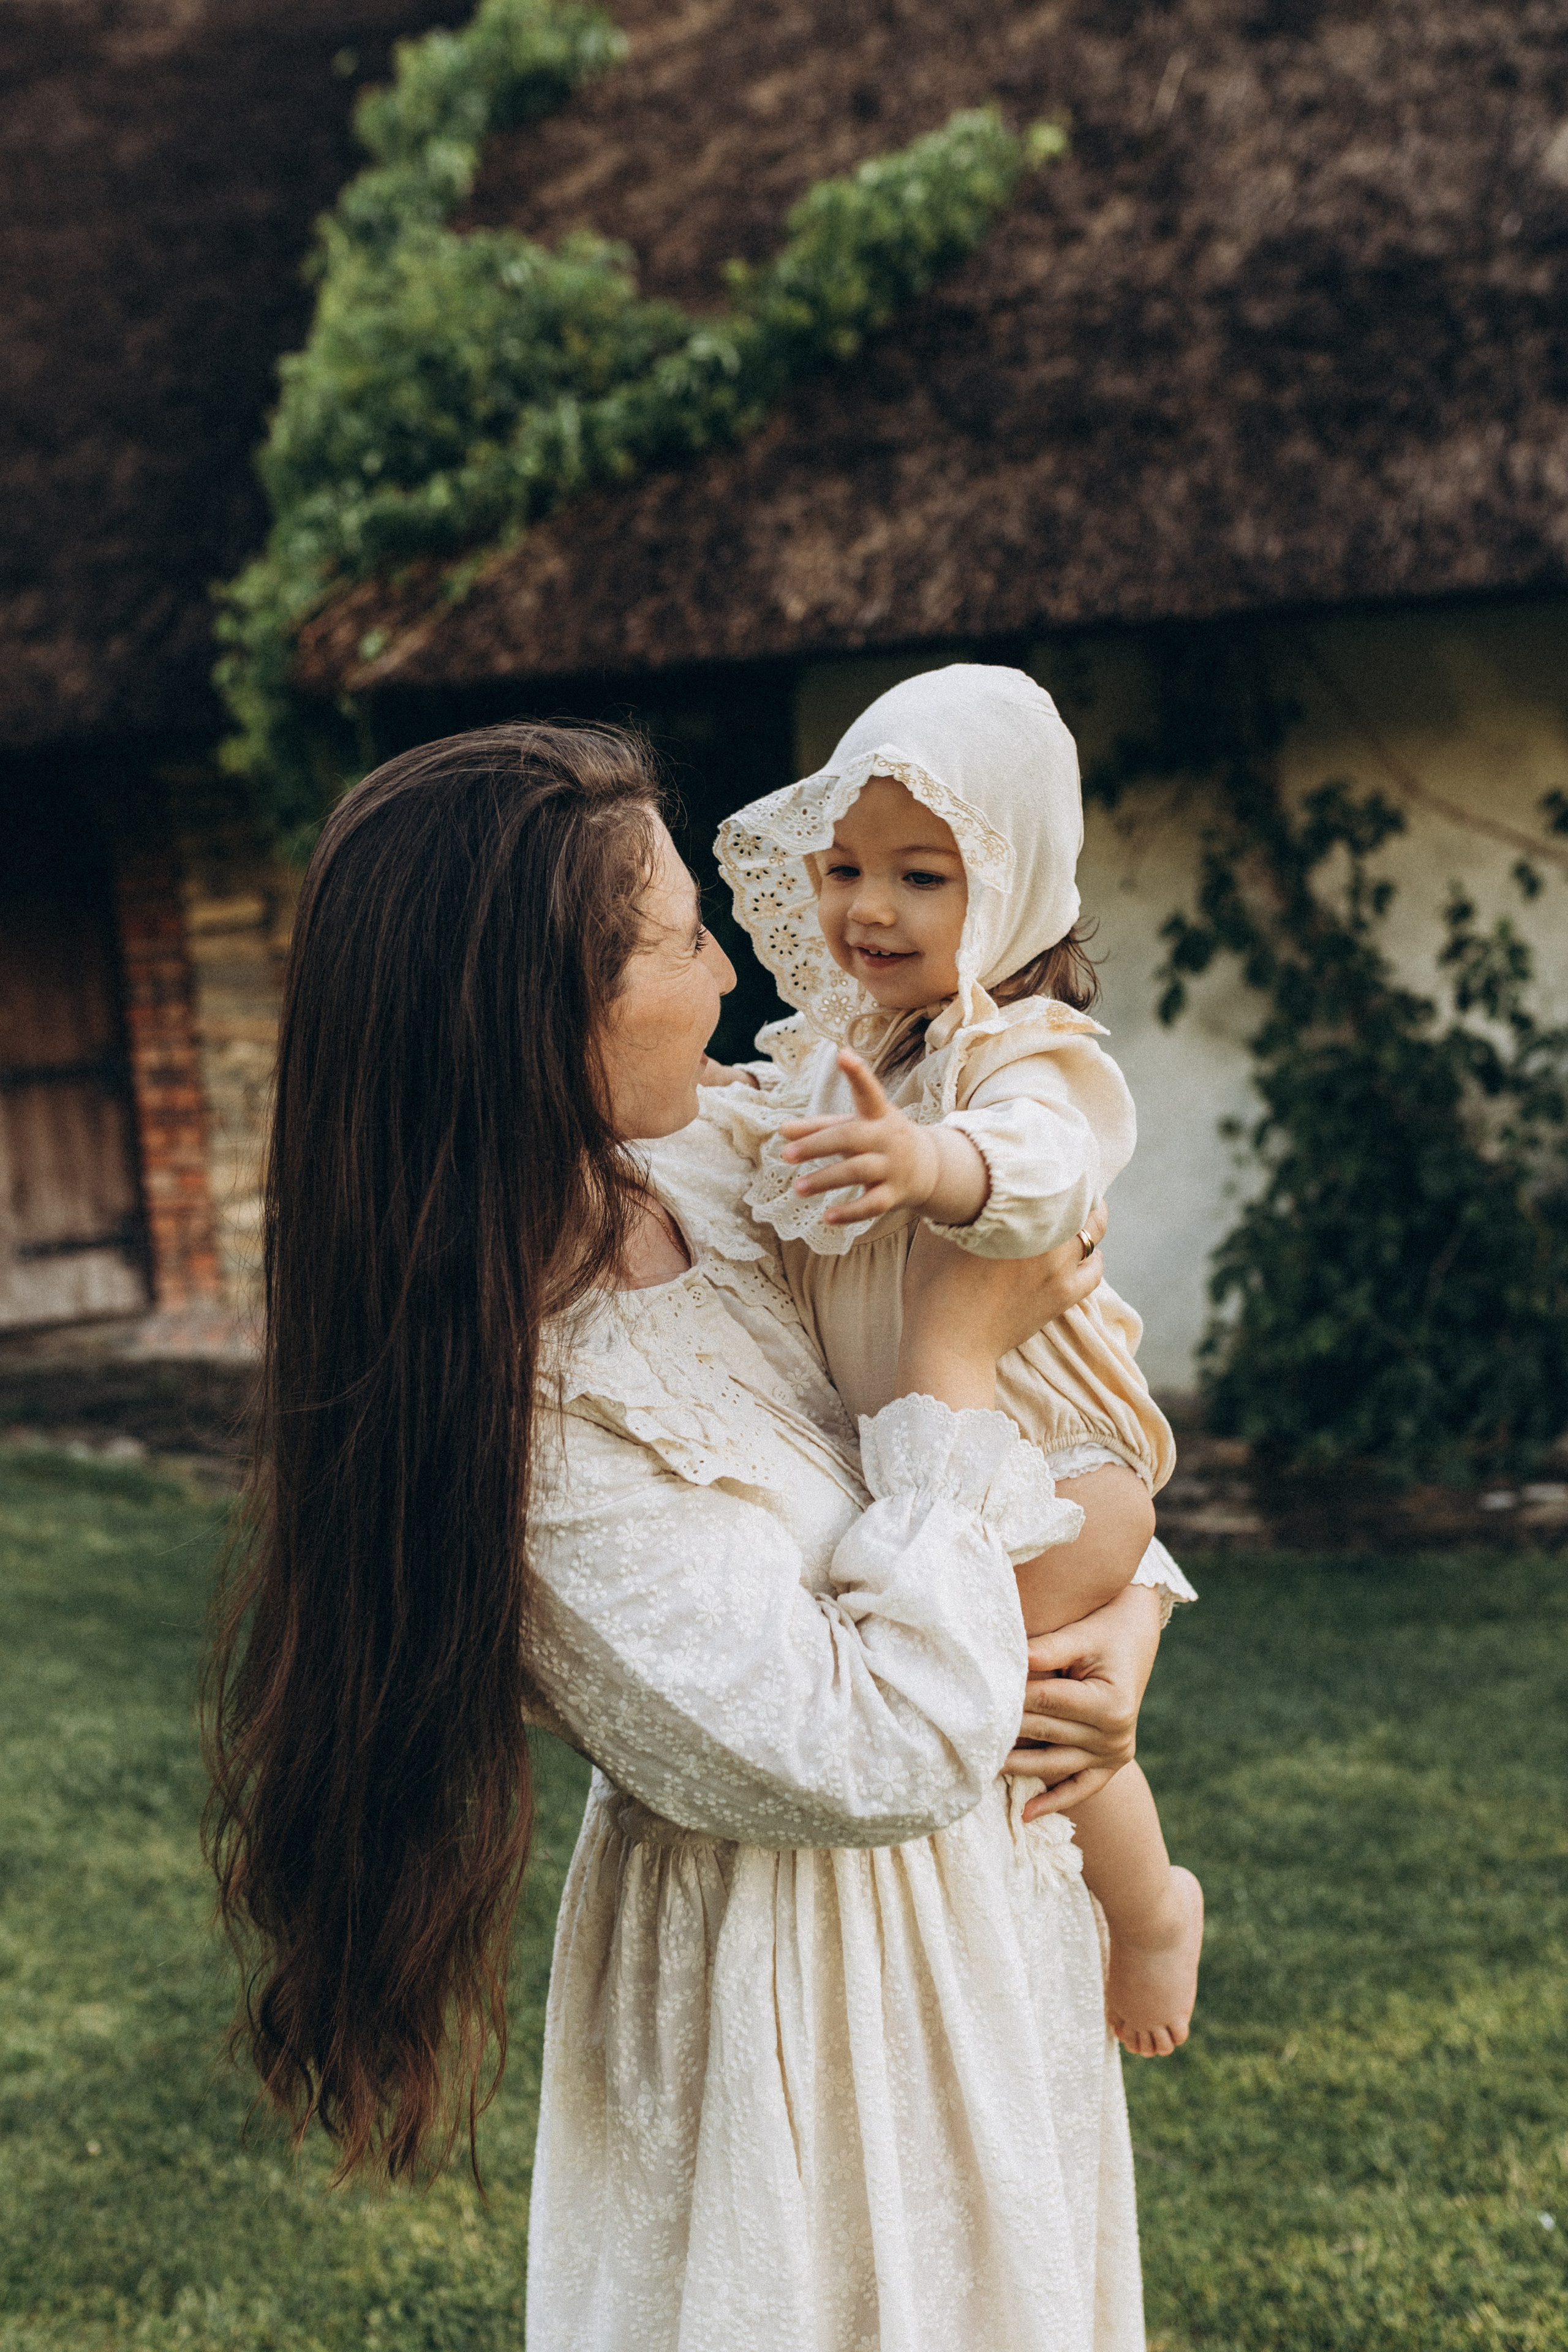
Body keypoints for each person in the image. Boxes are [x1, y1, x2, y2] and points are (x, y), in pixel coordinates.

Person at [205, 720, 1189, 2352]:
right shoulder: (527, 1433)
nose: (733, 978)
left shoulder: (728, 1171)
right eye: (678, 941)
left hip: (990, 1940)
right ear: (543, 1017)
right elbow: (865, 1753)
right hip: (794, 2035)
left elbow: (1048, 1421)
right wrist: (950, 1347)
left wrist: (1122, 1623)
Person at [700, 663, 1203, 2057]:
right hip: (925, 1451)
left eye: (921, 875)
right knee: (988, 1665)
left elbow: (1044, 1176)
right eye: (845, 866)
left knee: (1020, 1677)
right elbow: (757, 1143)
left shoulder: (1022, 1061)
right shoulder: (845, 1055)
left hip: (1054, 1462)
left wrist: (929, 1160)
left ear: (1016, 884)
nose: (868, 907)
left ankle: (1149, 1901)